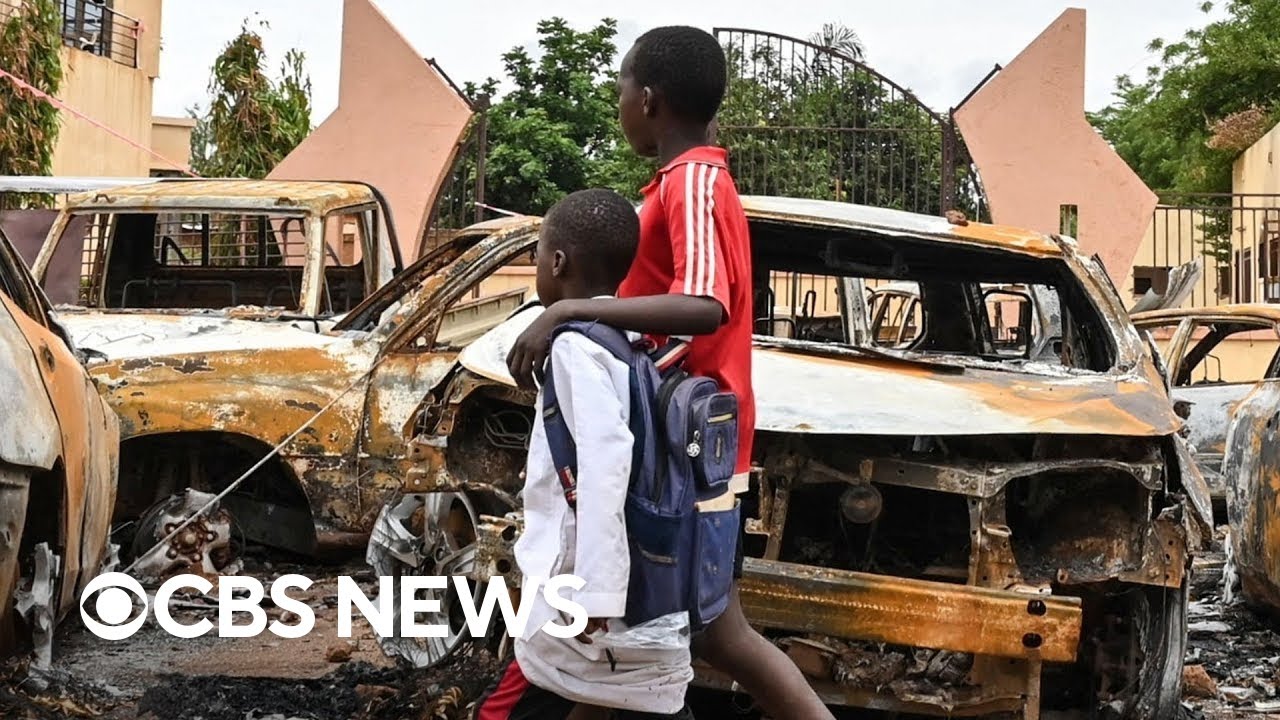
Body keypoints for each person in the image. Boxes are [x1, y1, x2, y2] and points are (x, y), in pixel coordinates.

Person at [506, 26, 835, 720]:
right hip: (682, 439)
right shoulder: (681, 180)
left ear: (648, 99)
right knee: (680, 630)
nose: (618, 101)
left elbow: (705, 304)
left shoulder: (693, 181)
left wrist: (572, 311)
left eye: (621, 88)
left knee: (717, 632)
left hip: (692, 445)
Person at [476, 189, 695, 720]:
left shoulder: (576, 347)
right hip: (611, 571)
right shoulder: (627, 338)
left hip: (576, 574)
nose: (534, 267)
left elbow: (605, 465)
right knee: (618, 697)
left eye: (535, 255)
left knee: (510, 707)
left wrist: (597, 592)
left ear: (557, 262)